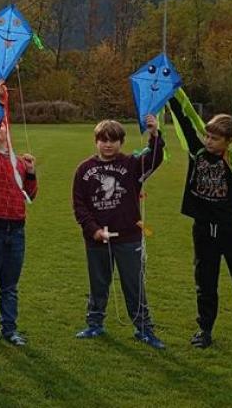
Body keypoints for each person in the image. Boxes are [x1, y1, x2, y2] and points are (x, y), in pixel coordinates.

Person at [167, 97, 232, 353]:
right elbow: (183, 121)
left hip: (231, 231)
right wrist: (170, 93)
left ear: (228, 142)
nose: (208, 141)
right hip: (204, 231)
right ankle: (204, 330)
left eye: (215, 138)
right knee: (205, 282)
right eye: (207, 136)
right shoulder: (198, 153)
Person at [71, 116, 166, 349]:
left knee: (134, 284)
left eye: (113, 140)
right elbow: (79, 205)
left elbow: (154, 159)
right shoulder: (84, 169)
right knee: (99, 283)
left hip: (128, 237)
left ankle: (143, 328)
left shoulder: (131, 165)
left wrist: (155, 135)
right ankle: (95, 323)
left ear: (122, 142)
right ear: (96, 141)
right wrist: (93, 231)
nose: (108, 144)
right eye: (103, 140)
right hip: (97, 240)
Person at [0, 81, 38, 346]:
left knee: (10, 287)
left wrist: (32, 173)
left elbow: (30, 194)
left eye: (4, 128)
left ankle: (9, 329)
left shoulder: (18, 161)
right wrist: (2, 101)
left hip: (17, 229)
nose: (2, 130)